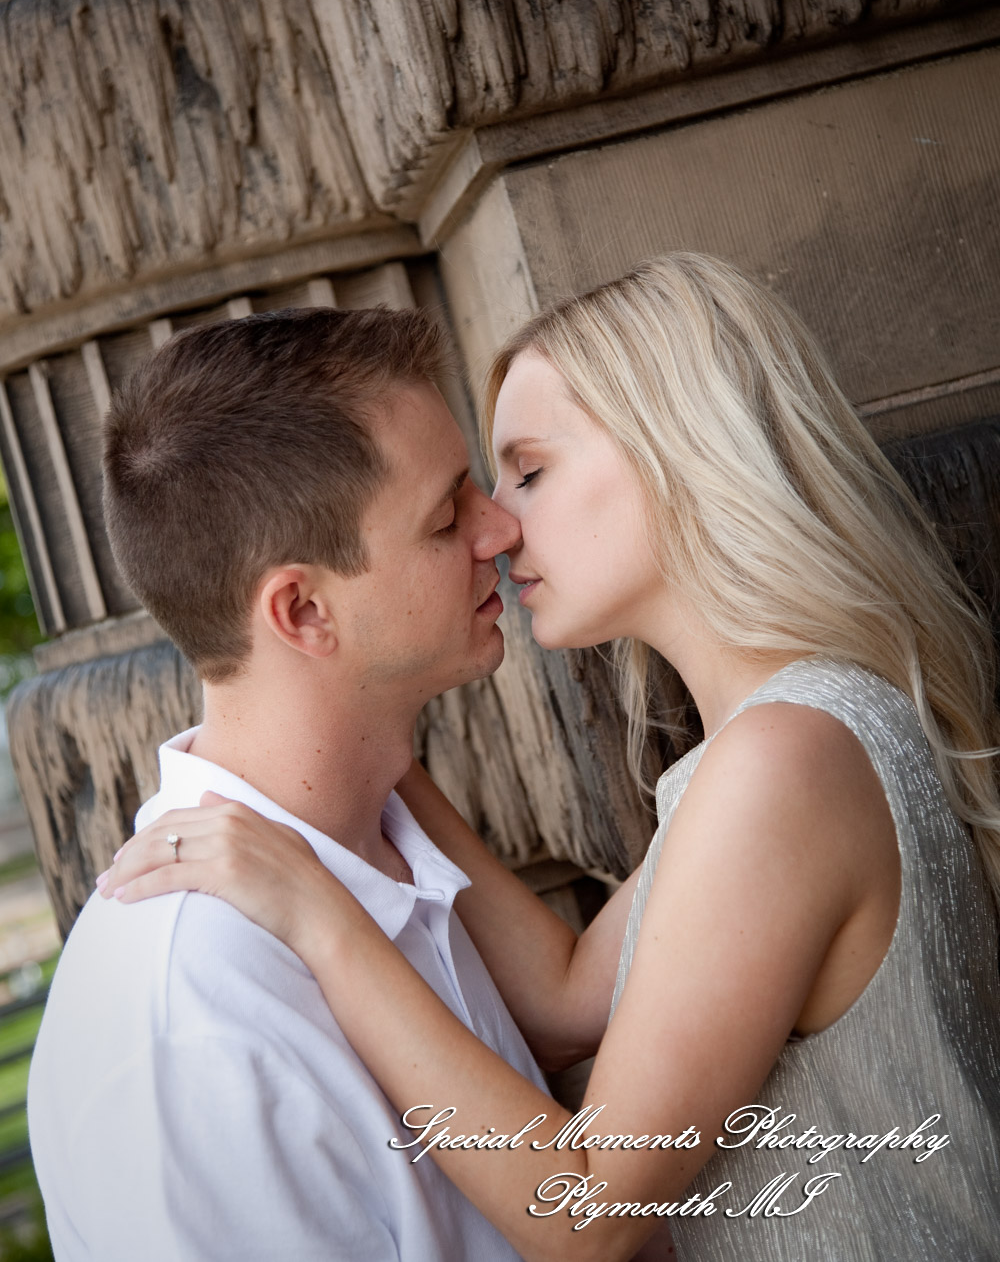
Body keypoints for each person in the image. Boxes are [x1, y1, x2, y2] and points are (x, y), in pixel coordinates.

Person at [104, 253, 1000, 1262]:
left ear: (681, 454)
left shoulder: (779, 768)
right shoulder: (787, 737)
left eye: (528, 471)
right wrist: (353, 712)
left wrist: (318, 913)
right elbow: (569, 996)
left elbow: (588, 1215)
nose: (495, 526)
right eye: (475, 493)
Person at [27, 306, 555, 1262]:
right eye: (446, 517)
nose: (500, 528)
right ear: (304, 609)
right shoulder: (191, 1033)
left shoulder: (376, 815)